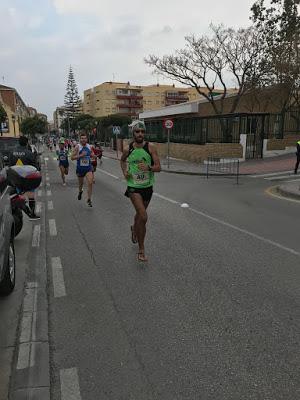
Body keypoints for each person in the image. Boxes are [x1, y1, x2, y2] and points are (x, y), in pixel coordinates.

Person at [120, 120, 161, 262]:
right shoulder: (128, 149)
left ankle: (134, 228)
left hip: (147, 187)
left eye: (143, 132)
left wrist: (149, 168)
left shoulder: (151, 147)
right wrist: (125, 172)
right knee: (143, 217)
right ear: (133, 133)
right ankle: (141, 250)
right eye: (137, 131)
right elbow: (122, 160)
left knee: (139, 216)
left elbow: (158, 167)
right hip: (133, 187)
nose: (140, 134)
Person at [9, 135, 40, 220]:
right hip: (27, 180)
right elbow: (35, 167)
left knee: (19, 197)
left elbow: (10, 166)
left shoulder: (12, 153)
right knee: (31, 197)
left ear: (19, 142)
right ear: (26, 143)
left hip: (16, 180)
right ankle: (32, 214)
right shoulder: (29, 153)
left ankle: (22, 212)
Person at [71, 133, 95, 207]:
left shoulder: (89, 146)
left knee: (90, 182)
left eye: (85, 138)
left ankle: (89, 199)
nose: (83, 139)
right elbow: (72, 157)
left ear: (87, 139)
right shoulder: (77, 147)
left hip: (88, 168)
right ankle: (80, 191)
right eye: (82, 138)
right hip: (80, 169)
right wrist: (81, 155)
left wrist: (94, 155)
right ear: (80, 139)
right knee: (80, 184)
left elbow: (91, 154)